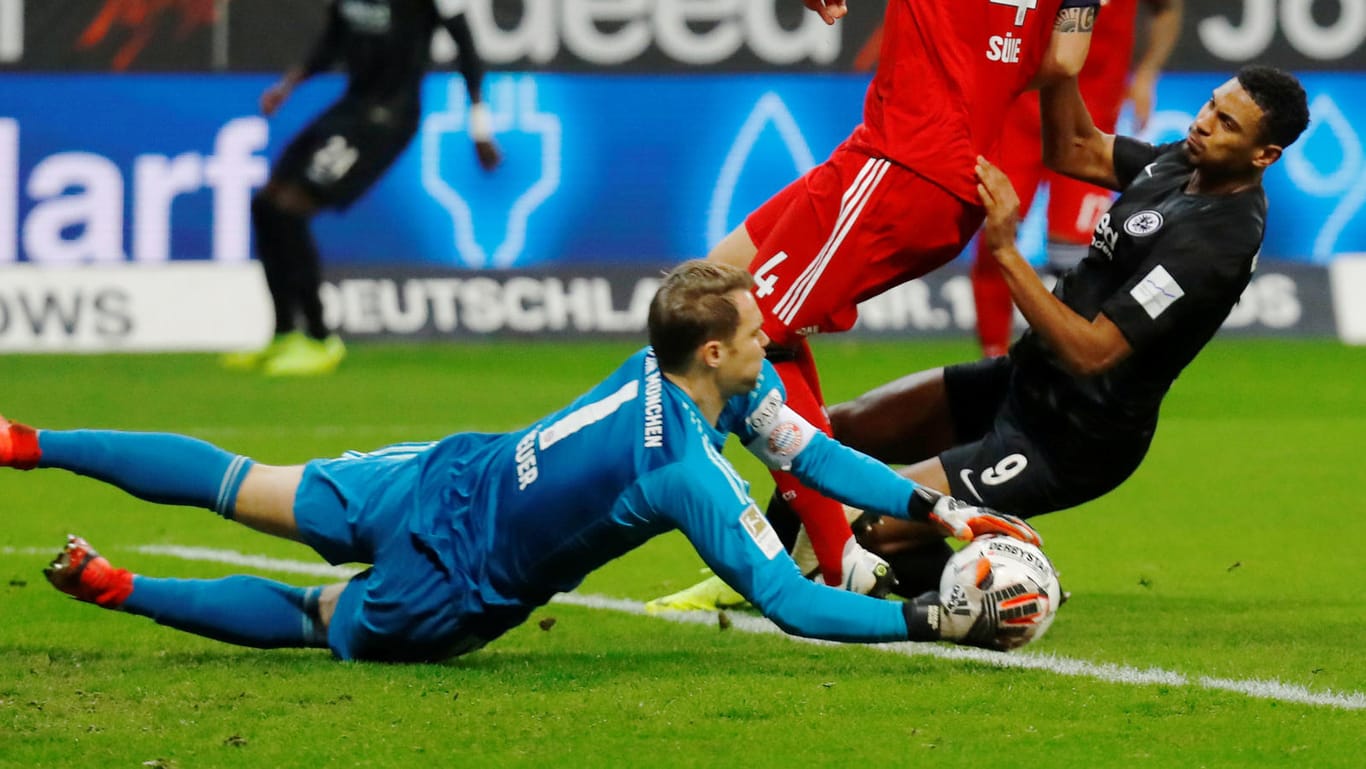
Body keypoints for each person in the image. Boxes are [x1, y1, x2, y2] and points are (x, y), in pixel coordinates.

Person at [0, 261, 1044, 661]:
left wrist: (941, 514)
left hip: (443, 471)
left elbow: (815, 454)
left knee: (239, 481)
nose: (775, 337)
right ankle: (120, 587)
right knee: (313, 618)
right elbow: (790, 601)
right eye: (758, 329)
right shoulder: (681, 468)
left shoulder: (670, 363)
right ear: (715, 352)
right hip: (453, 582)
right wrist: (930, 618)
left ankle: (29, 442)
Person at [817, 64, 1311, 595]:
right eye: (1212, 105)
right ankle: (785, 576)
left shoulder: (1217, 242)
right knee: (828, 435)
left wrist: (1006, 250)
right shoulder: (1180, 163)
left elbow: (1092, 352)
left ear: (1265, 156)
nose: (1206, 122)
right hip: (1022, 381)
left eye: (1228, 124)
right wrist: (1061, 60)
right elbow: (1075, 147)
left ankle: (1014, 589)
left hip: (1071, 437)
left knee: (864, 527)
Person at [664, 0, 1100, 600]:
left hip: (908, 162)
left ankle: (836, 552)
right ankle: (824, 536)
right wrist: (985, 64)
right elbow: (1063, 59)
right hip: (916, 163)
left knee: (750, 328)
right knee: (714, 281)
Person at [222, 0, 502, 377]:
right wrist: (288, 86)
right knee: (266, 205)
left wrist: (479, 127)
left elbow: (466, 49)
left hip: (387, 117)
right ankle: (285, 333)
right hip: (351, 107)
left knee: (290, 208)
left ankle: (320, 340)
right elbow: (333, 42)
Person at [972, 0, 1183, 357]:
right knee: (993, 237)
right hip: (1015, 115)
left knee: (1079, 256)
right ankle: (994, 357)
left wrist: (1147, 74)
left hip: (1089, 129)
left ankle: (1064, 368)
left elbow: (1166, 8)